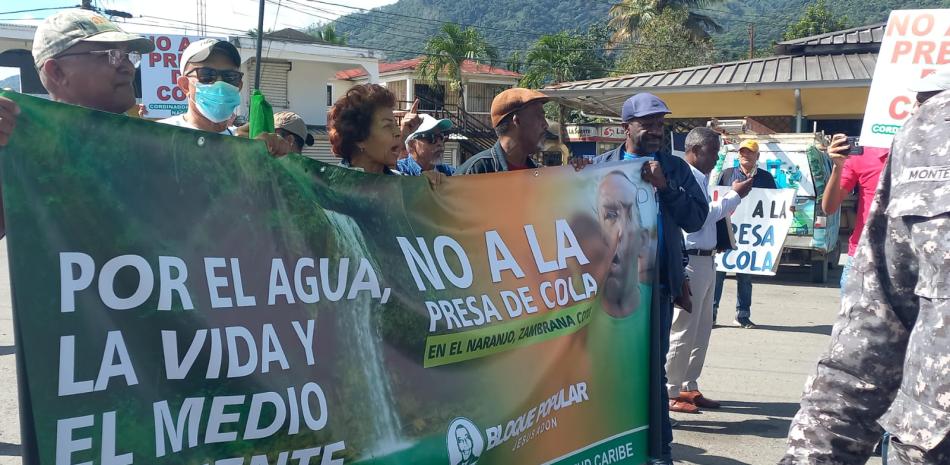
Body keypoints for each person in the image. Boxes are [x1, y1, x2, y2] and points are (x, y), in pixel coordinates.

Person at [780, 86, 950, 465]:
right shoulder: (925, 134)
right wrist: (839, 166)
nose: (921, 102)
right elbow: (865, 350)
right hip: (871, 260)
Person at [594, 93, 709, 465]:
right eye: (648, 123)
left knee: (652, 374)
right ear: (626, 126)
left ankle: (659, 452)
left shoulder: (675, 169)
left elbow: (695, 219)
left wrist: (665, 187)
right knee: (611, 371)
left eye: (661, 124)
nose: (657, 131)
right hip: (611, 289)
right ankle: (612, 447)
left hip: (656, 288)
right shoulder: (599, 167)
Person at [0, 9, 154, 238]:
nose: (129, 67)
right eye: (112, 54)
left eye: (129, 55)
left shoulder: (158, 146)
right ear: (57, 72)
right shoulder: (17, 145)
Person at [821, 67, 950, 288]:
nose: (913, 110)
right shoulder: (866, 154)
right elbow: (829, 207)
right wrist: (838, 167)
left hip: (926, 261)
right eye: (916, 102)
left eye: (921, 102)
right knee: (859, 322)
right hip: (865, 257)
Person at [665, 128, 753, 414]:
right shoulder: (684, 178)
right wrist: (734, 197)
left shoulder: (700, 178)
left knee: (701, 329)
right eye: (713, 152)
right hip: (690, 259)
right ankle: (670, 391)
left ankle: (689, 385)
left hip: (706, 259)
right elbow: (700, 218)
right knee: (683, 329)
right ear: (695, 150)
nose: (716, 158)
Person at [158, 38, 289, 156]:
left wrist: (274, 154)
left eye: (230, 77)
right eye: (207, 75)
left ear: (239, 86)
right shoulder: (159, 136)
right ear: (185, 85)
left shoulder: (243, 143)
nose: (220, 84)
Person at [712, 139, 777, 328]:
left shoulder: (766, 178)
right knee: (719, 274)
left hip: (751, 238)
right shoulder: (726, 175)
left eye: (749, 152)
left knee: (745, 277)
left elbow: (774, 203)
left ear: (757, 156)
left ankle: (742, 315)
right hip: (727, 232)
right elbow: (716, 200)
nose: (745, 155)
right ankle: (712, 314)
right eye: (742, 152)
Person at [327, 84, 421, 175]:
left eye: (396, 125)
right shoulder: (329, 187)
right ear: (359, 138)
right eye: (387, 125)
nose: (398, 132)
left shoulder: (402, 185)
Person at [456, 88, 549, 174]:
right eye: (539, 116)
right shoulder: (475, 172)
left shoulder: (538, 174)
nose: (546, 125)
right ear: (517, 120)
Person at [597, 171, 648, 318]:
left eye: (629, 215)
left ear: (642, 239)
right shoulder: (579, 312)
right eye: (610, 215)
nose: (620, 231)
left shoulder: (655, 303)